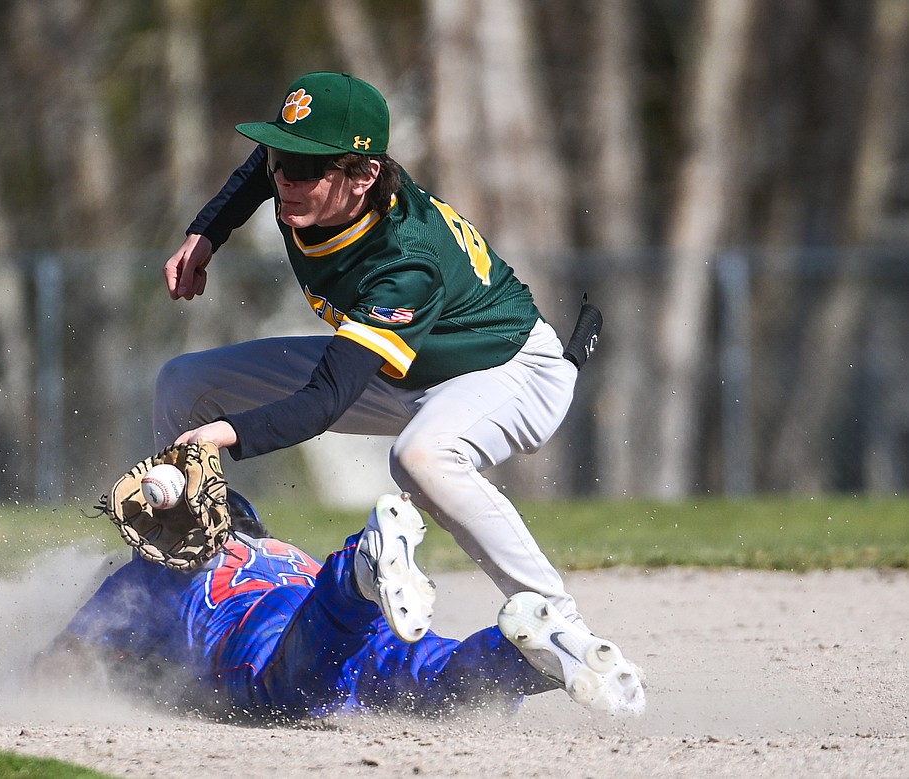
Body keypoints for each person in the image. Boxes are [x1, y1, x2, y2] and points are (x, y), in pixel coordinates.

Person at [155, 71, 641, 689]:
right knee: (183, 385)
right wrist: (207, 232)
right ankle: (203, 572)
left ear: (362, 176)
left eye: (304, 167)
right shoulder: (310, 189)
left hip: (507, 369)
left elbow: (323, 402)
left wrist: (214, 440)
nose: (284, 178)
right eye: (283, 157)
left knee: (420, 457)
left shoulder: (403, 262)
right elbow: (262, 165)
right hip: (405, 366)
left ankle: (556, 619)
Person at [38, 491, 645, 717]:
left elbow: (57, 670)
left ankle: (359, 568)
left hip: (267, 633)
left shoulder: (148, 576)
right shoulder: (279, 550)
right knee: (433, 684)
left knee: (288, 694)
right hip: (332, 613)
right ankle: (522, 657)